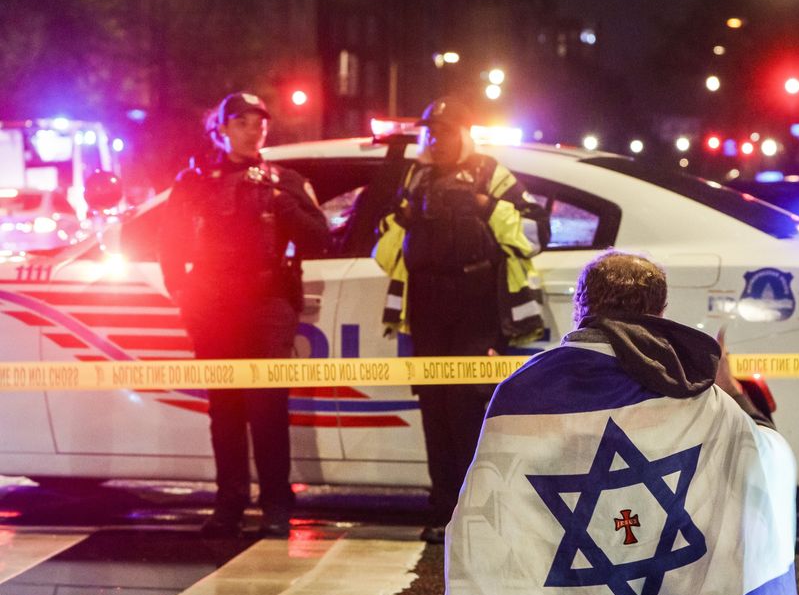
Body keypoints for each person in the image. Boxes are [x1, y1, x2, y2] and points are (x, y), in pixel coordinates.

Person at [435, 250, 799, 595]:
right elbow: (765, 460)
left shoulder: (524, 390)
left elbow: (485, 518)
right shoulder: (699, 394)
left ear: (580, 307)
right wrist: (732, 389)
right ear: (660, 312)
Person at [373, 96, 546, 544]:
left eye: (446, 131)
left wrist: (487, 206)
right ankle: (444, 512)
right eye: (431, 131)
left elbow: (536, 234)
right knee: (434, 415)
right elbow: (385, 251)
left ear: (465, 133)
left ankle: (476, 516)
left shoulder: (491, 173)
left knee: (468, 414)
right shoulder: (417, 175)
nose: (436, 139)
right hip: (426, 312)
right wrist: (402, 218)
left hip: (476, 310)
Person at [159, 92, 331, 538]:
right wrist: (181, 289)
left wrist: (282, 202)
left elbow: (320, 237)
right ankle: (229, 502)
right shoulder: (195, 181)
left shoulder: (284, 179)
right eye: (242, 122)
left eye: (259, 122)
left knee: (268, 406)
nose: (253, 130)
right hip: (214, 305)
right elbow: (170, 241)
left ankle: (276, 503)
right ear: (221, 128)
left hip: (268, 300)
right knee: (226, 409)